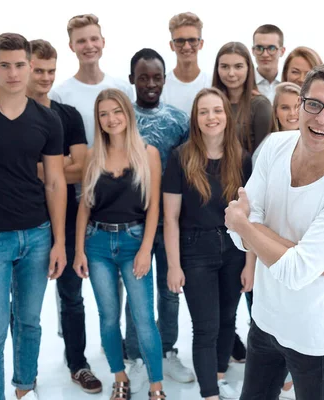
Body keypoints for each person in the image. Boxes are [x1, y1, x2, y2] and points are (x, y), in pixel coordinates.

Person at [226, 62, 324, 400]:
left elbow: (292, 270)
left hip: (313, 337)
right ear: (301, 102)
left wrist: (248, 225)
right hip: (263, 321)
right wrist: (300, 254)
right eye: (315, 104)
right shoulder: (275, 146)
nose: (321, 118)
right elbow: (236, 237)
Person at [0, 33, 66, 400]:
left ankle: (24, 388)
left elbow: (55, 183)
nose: (14, 72)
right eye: (5, 65)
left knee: (30, 322)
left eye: (21, 65)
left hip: (37, 236)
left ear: (30, 67)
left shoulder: (48, 121)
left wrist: (60, 242)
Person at [73, 89, 165, 400]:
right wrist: (78, 251)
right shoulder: (91, 155)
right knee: (108, 315)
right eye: (104, 114)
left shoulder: (147, 153)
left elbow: (154, 208)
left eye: (116, 112)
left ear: (127, 113)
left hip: (134, 241)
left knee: (143, 317)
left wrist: (145, 250)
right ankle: (120, 377)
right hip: (97, 244)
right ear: (98, 120)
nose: (111, 119)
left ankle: (156, 387)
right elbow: (85, 206)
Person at [164, 87, 254, 400]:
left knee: (229, 319)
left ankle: (217, 377)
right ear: (196, 118)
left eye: (217, 110)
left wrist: (250, 264)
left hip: (233, 250)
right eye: (204, 112)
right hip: (194, 251)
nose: (211, 117)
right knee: (205, 326)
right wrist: (174, 265)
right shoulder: (181, 158)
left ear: (227, 117)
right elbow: (171, 218)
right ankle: (209, 394)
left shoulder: (241, 159)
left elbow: (252, 218)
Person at [26, 39, 102, 394]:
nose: (44, 78)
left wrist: (35, 170)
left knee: (71, 294)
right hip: (19, 219)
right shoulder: (10, 115)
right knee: (23, 306)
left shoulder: (66, 114)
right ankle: (25, 373)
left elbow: (81, 168)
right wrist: (58, 168)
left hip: (68, 218)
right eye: (37, 70)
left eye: (50, 71)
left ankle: (78, 364)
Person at [125, 48, 194, 388]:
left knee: (170, 290)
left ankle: (167, 351)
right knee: (136, 292)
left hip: (170, 222)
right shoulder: (124, 120)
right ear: (132, 80)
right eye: (143, 77)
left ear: (164, 80)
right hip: (133, 222)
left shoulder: (180, 121)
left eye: (156, 77)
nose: (150, 84)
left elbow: (188, 173)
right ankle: (135, 356)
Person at [50, 13, 134, 146]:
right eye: (81, 41)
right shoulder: (59, 95)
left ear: (103, 42)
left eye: (94, 39)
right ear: (71, 46)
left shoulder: (123, 89)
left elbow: (132, 134)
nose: (89, 46)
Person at [212, 41, 273, 155]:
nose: (231, 73)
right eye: (224, 66)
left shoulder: (260, 105)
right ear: (217, 69)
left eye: (238, 66)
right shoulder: (210, 103)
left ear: (248, 68)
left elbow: (263, 154)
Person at [161, 12, 212, 115]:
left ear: (201, 44)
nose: (186, 46)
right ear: (172, 45)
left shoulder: (213, 83)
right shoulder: (161, 86)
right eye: (180, 41)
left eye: (192, 40)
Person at [252, 81, 300, 165]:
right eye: (285, 108)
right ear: (275, 112)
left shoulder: (315, 141)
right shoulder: (267, 146)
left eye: (297, 107)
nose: (292, 113)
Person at [252, 24, 286, 102]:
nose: (265, 54)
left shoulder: (288, 83)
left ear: (282, 51)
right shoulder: (244, 84)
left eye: (271, 48)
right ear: (253, 51)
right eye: (259, 48)